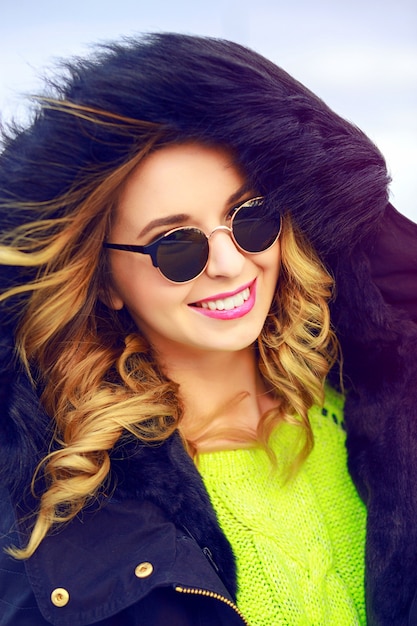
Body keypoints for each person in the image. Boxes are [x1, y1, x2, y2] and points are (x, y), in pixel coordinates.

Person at [0, 33, 416, 626]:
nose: (230, 264)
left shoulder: (385, 404)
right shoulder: (67, 500)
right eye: (176, 245)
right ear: (106, 280)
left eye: (249, 218)